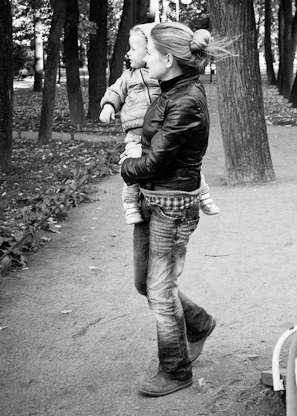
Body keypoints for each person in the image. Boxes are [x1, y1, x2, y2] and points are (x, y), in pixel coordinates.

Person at [120, 22, 231, 397]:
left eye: (149, 53)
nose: (145, 58)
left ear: (168, 59)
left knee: (159, 290)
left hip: (172, 205)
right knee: (145, 284)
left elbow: (155, 163)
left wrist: (124, 167)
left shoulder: (185, 101)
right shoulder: (169, 91)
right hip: (152, 200)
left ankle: (175, 369)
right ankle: (198, 325)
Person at [100, 23, 220, 225]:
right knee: (135, 162)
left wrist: (125, 168)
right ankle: (130, 204)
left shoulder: (163, 80)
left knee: (189, 164)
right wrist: (109, 106)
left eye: (136, 49)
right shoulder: (128, 76)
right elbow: (115, 91)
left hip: (157, 139)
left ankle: (204, 195)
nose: (129, 54)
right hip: (135, 134)